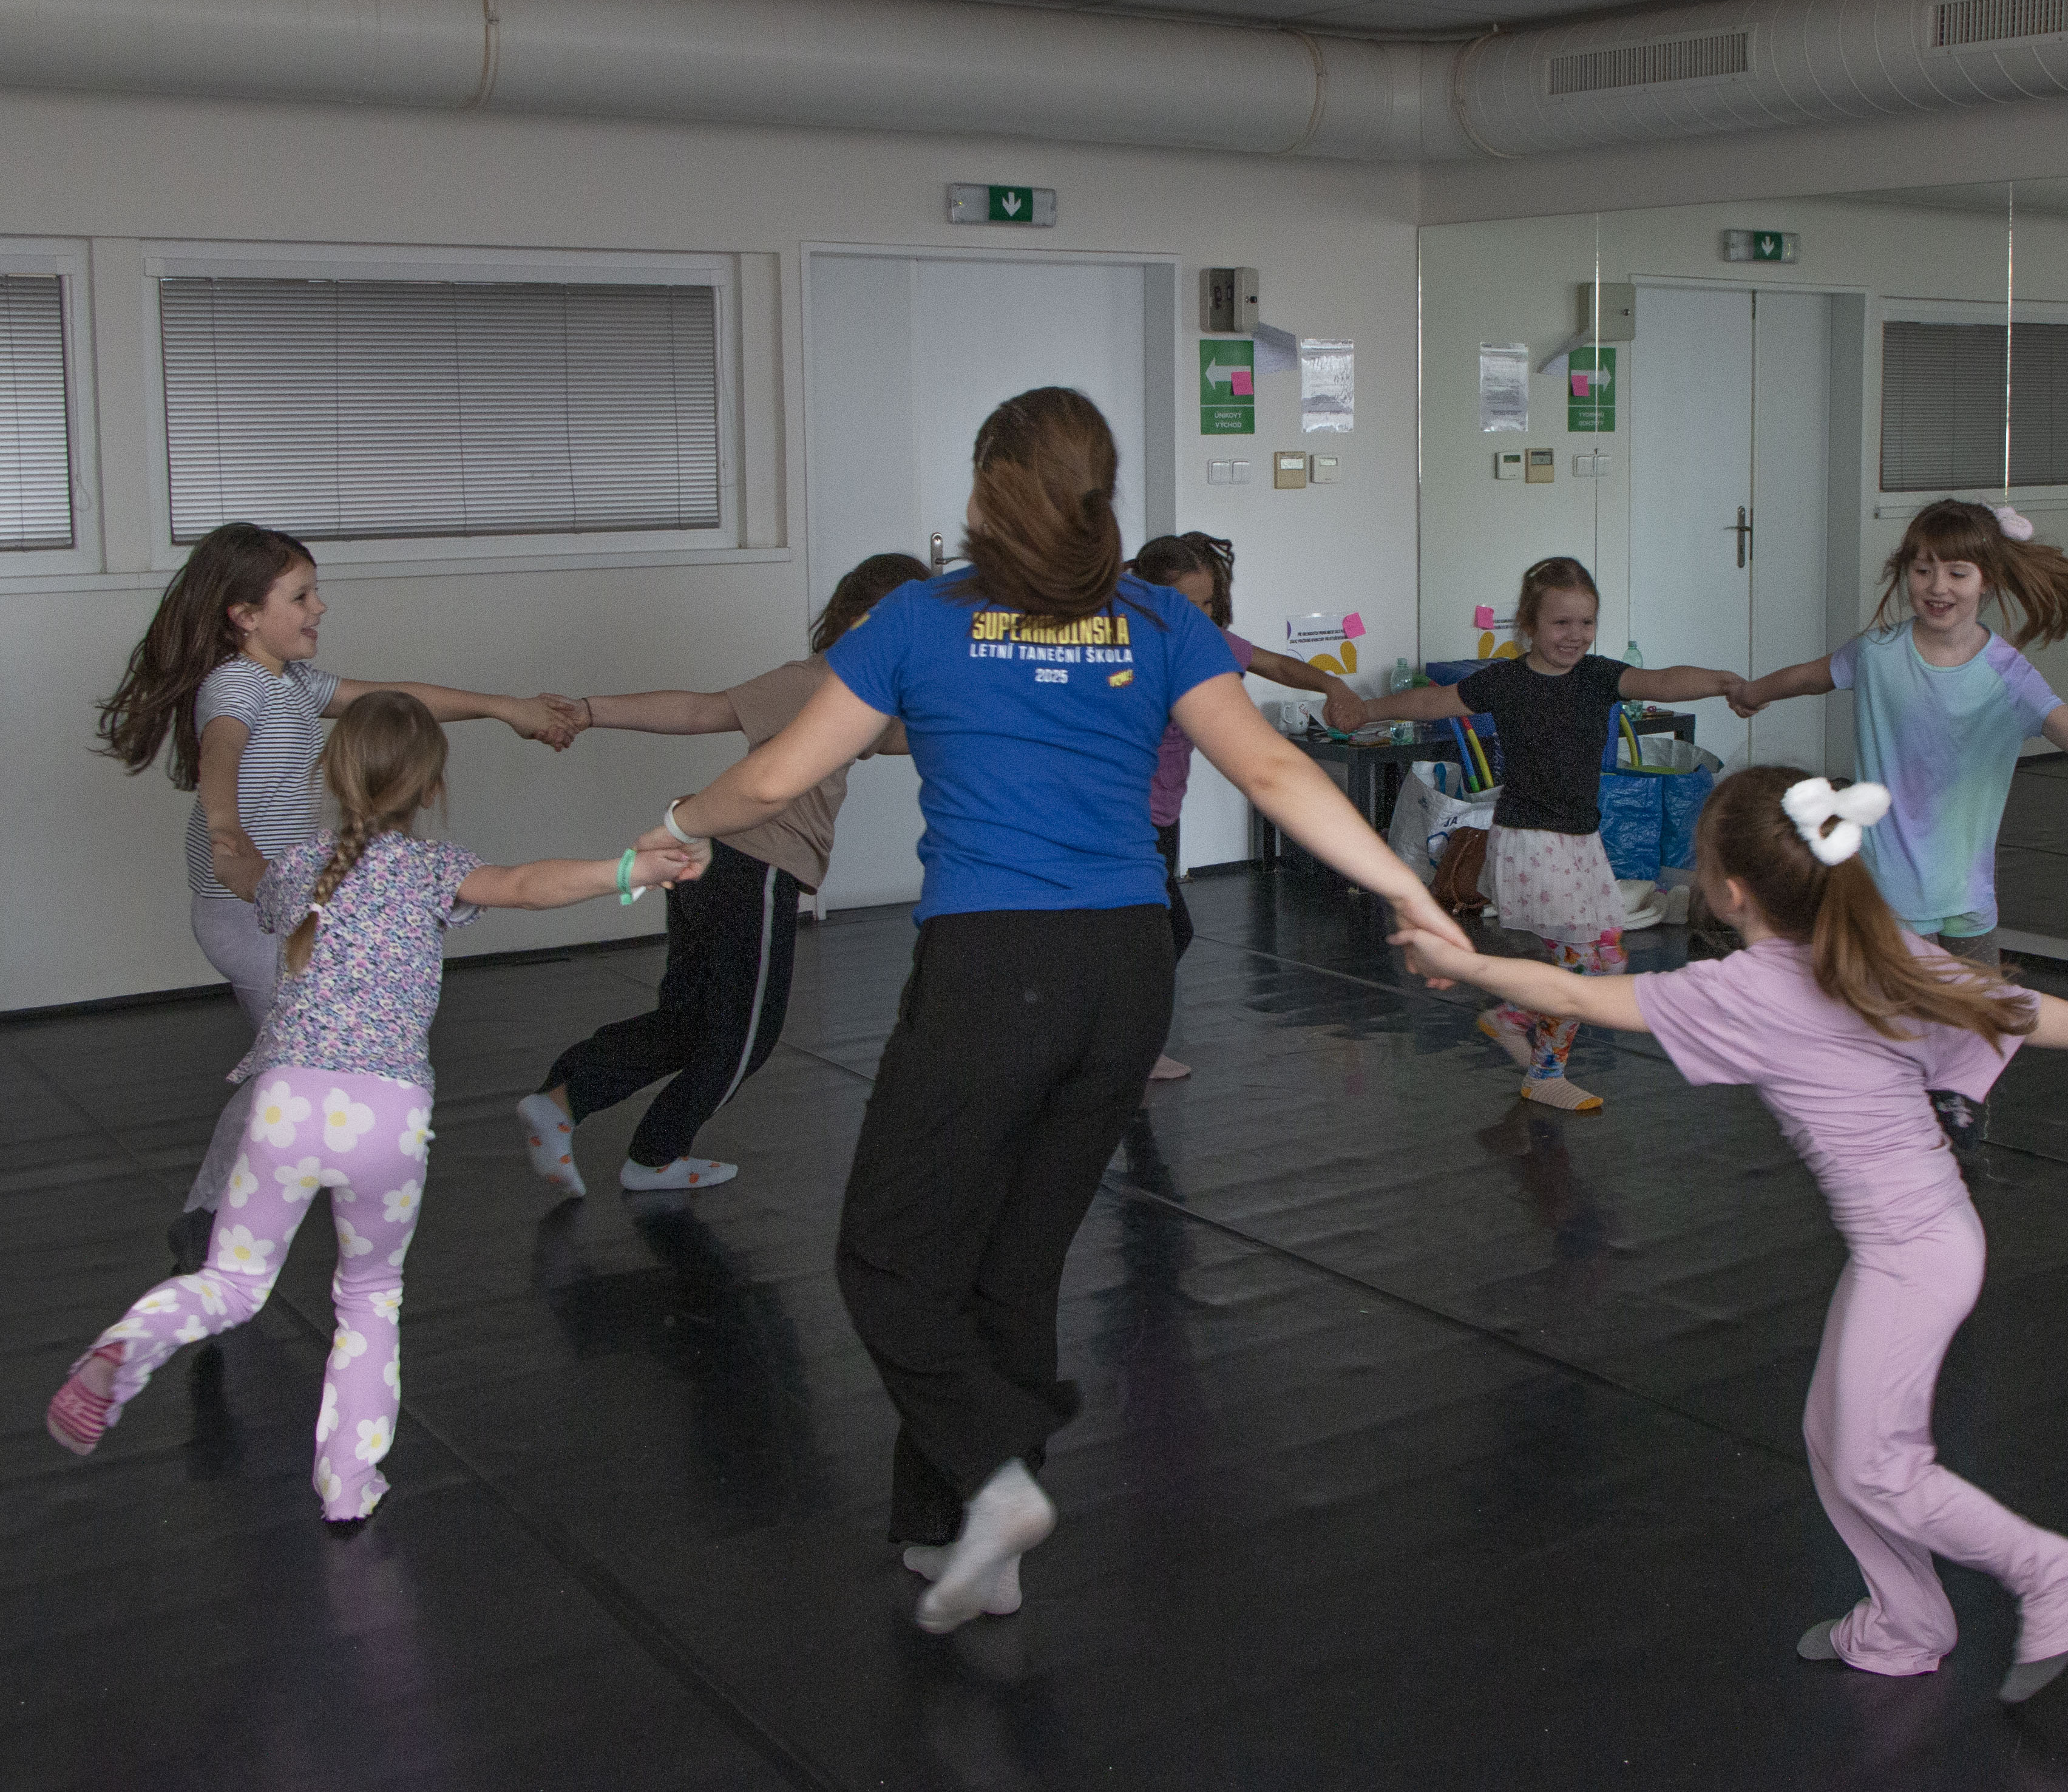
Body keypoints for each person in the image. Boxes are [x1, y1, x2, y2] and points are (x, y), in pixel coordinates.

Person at [632, 387, 1472, 1633]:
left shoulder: (922, 617)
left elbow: (771, 776)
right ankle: (956, 1533)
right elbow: (1272, 766)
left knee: (885, 1254)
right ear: (1099, 490)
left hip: (993, 969)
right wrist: (1408, 890)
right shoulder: (1160, 620)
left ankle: (992, 1477)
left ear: (987, 488)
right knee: (1012, 1262)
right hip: (1128, 970)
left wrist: (672, 825)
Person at [1391, 764, 2068, 1702]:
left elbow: (1578, 995)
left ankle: (2057, 1573)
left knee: (1879, 1462)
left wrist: (1467, 964)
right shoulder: (1872, 948)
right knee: (1832, 1436)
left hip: (1915, 1255)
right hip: (1919, 1241)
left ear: (1731, 891)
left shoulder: (1751, 987)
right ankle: (1907, 1623)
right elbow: (2013, 1005)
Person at [46, 693, 693, 1520]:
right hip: (387, 1115)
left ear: (331, 772)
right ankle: (348, 1483)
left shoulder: (299, 868)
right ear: (431, 788)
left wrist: (223, 833)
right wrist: (632, 869)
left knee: (232, 1282)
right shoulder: (432, 870)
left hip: (287, 1102)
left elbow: (244, 875)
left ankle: (122, 1349)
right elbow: (529, 886)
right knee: (369, 1295)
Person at [92, 522, 581, 1269]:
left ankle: (222, 1209)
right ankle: (217, 1219)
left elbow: (397, 699)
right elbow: (221, 750)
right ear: (244, 615)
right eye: (300, 596)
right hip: (243, 910)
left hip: (282, 907)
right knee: (296, 1064)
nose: (318, 607)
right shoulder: (236, 684)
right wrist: (225, 830)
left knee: (288, 1065)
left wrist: (505, 707)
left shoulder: (293, 681)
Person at [513, 555, 928, 1195]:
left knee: (689, 1021)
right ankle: (655, 1156)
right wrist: (589, 711)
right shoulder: (815, 681)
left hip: (714, 863)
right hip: (750, 866)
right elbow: (701, 711)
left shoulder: (858, 693)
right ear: (865, 620)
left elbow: (902, 737)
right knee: (746, 1038)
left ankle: (563, 1100)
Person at [1317, 557, 1744, 1111]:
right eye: (1561, 623)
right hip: (1532, 841)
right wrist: (1366, 709)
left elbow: (1661, 680)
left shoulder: (1597, 676)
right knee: (1583, 966)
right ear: (1529, 624)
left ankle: (1514, 1018)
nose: (1576, 635)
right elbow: (1431, 701)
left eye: (1587, 623)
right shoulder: (1508, 681)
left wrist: (1723, 682)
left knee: (1607, 960)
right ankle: (1543, 1069)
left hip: (1580, 842)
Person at [1730, 500, 2068, 967]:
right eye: (1922, 570)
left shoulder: (2007, 676)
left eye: (1957, 572)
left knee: (1980, 1016)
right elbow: (1811, 677)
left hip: (1969, 896)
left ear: (1987, 580)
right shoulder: (1877, 653)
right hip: (1890, 892)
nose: (1937, 587)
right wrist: (1753, 691)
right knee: (1909, 1017)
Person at [1129, 531, 1362, 1079]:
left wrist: (1333, 684)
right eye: (1186, 604)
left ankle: (1120, 1044)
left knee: (1157, 932)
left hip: (1162, 813)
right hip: (1127, 814)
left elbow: (1275, 665)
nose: (1200, 615)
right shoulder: (1128, 641)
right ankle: (1128, 1049)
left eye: (1207, 603)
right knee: (1163, 932)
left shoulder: (1204, 640)